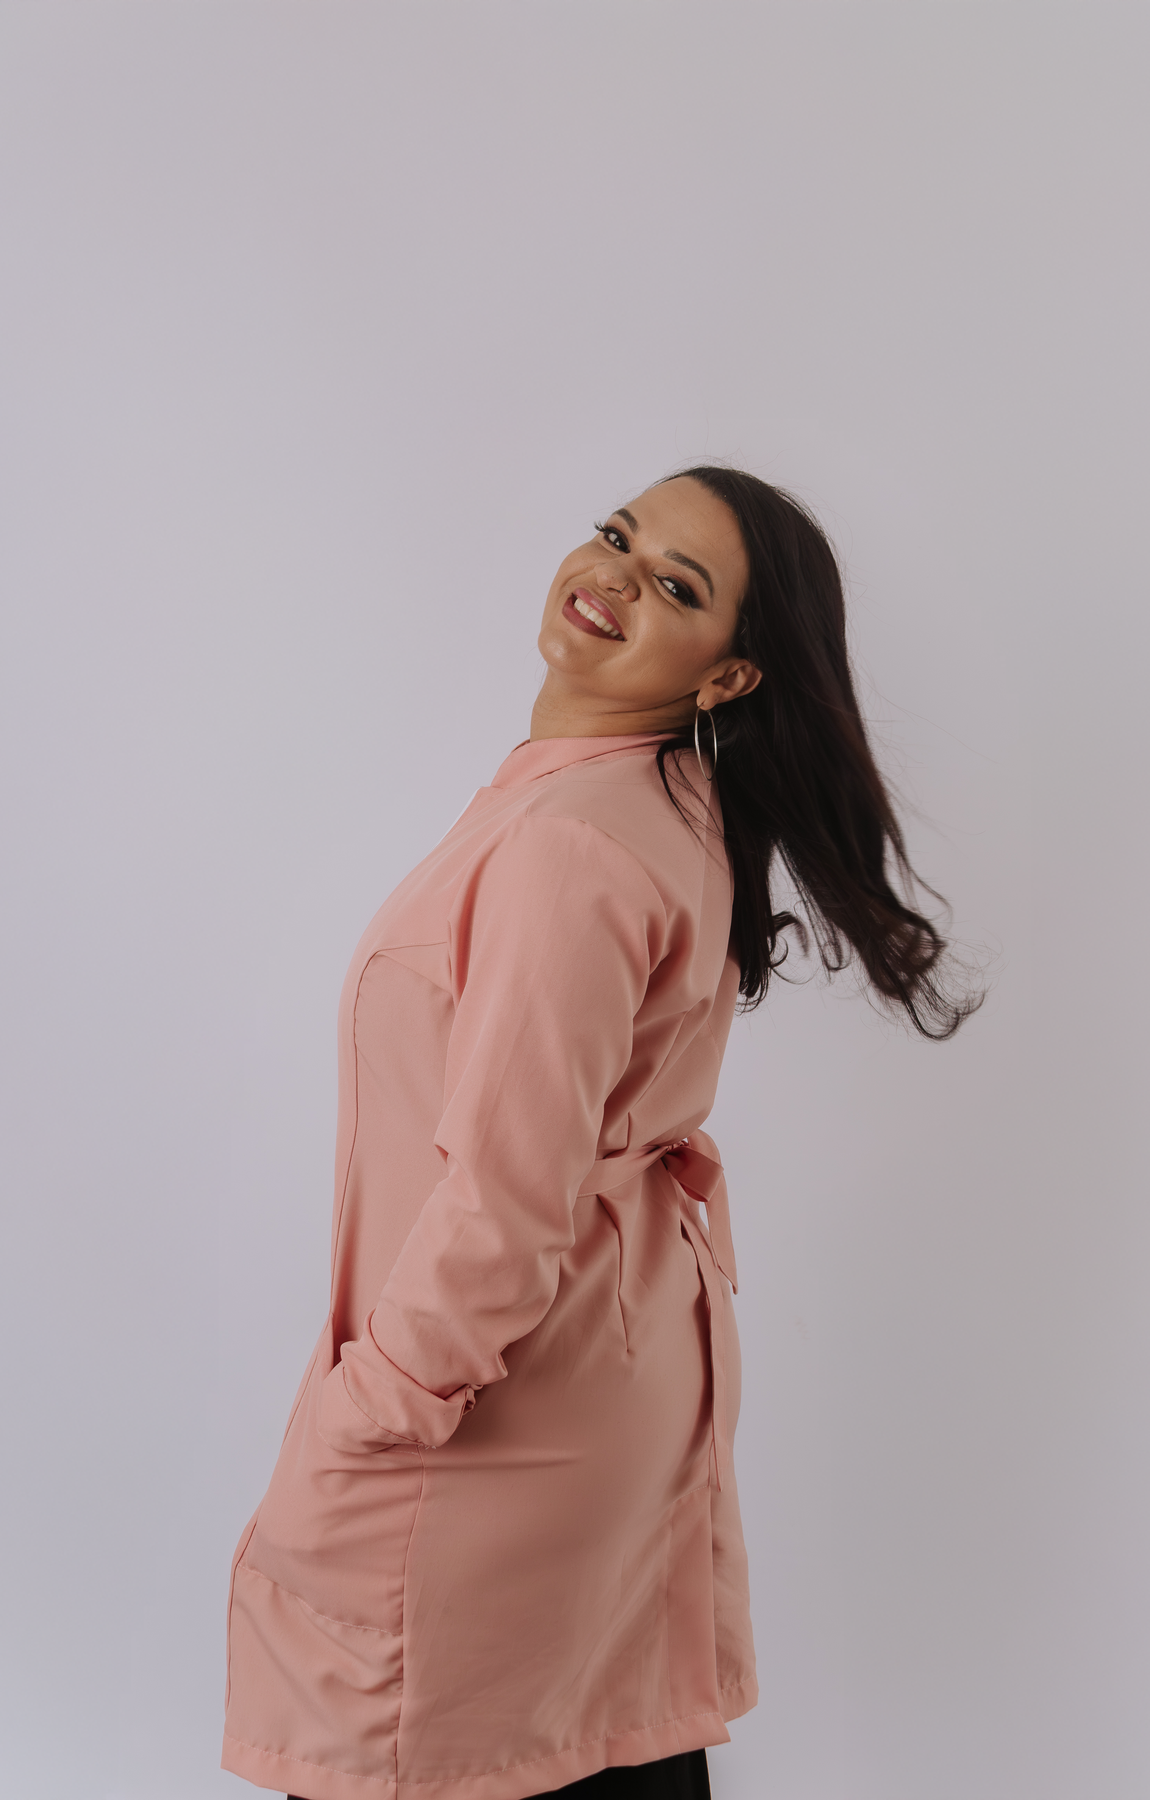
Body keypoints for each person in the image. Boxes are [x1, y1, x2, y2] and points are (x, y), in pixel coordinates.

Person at [221, 466, 977, 1800]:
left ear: (729, 676)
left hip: (496, 1407)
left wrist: (372, 1409)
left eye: (676, 585)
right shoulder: (651, 801)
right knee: (591, 1751)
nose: (615, 575)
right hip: (604, 1370)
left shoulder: (573, 842)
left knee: (421, 1754)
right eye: (619, 535)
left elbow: (504, 1200)